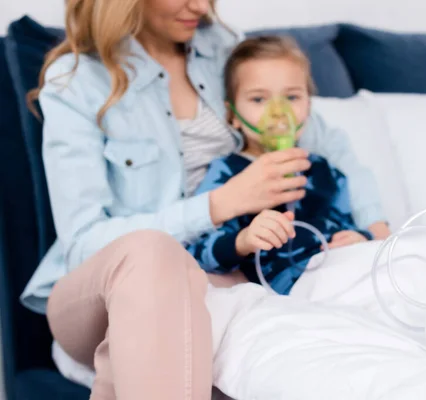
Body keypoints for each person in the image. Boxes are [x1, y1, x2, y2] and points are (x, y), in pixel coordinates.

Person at [20, 0, 389, 399]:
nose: (200, 7)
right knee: (153, 252)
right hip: (99, 293)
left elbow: (330, 146)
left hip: (211, 281)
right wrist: (220, 204)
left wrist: (375, 234)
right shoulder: (76, 82)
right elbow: (82, 243)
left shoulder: (225, 50)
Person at [189, 36, 378, 295]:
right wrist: (243, 241)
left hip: (346, 277)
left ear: (308, 106)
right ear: (232, 115)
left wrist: (361, 239)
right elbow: (199, 252)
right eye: (259, 99)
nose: (278, 112)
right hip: (291, 294)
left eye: (291, 97)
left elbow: (348, 226)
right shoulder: (227, 174)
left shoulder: (327, 173)